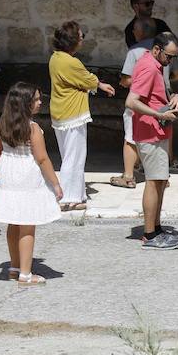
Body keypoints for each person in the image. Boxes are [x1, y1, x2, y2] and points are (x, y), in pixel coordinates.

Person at [0, 82, 63, 287]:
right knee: (28, 225)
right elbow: (42, 159)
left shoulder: (3, 124)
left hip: (9, 175)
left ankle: (14, 267)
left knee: (14, 222)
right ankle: (25, 274)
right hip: (26, 177)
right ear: (25, 104)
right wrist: (56, 184)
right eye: (36, 100)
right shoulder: (33, 129)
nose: (40, 103)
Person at [48, 21, 116, 212]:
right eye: (80, 36)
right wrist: (100, 84)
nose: (82, 39)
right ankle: (69, 197)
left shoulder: (56, 58)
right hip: (72, 113)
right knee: (74, 157)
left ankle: (74, 194)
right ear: (73, 41)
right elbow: (86, 78)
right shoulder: (71, 62)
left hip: (60, 112)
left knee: (68, 155)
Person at [125, 32, 178, 249]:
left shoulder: (154, 64)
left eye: (174, 57)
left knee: (159, 181)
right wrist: (160, 115)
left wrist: (173, 98)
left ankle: (156, 229)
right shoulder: (149, 67)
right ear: (157, 50)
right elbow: (131, 101)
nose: (171, 61)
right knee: (153, 181)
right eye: (169, 57)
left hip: (156, 131)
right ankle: (150, 235)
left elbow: (155, 96)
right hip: (150, 132)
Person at [111, 18, 163, 189]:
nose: (133, 33)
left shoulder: (135, 51)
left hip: (139, 101)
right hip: (160, 100)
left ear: (141, 31)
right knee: (157, 138)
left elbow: (127, 78)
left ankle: (128, 176)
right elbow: (176, 74)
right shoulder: (164, 50)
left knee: (130, 138)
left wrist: (125, 82)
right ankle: (161, 176)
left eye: (134, 29)